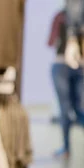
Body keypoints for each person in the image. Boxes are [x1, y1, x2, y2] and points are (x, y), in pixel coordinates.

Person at [48, 5, 84, 157]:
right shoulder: (61, 17)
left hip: (71, 65)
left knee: (73, 109)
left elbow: (50, 42)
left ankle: (66, 148)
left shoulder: (62, 16)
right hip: (69, 64)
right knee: (73, 109)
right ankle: (66, 147)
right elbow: (51, 41)